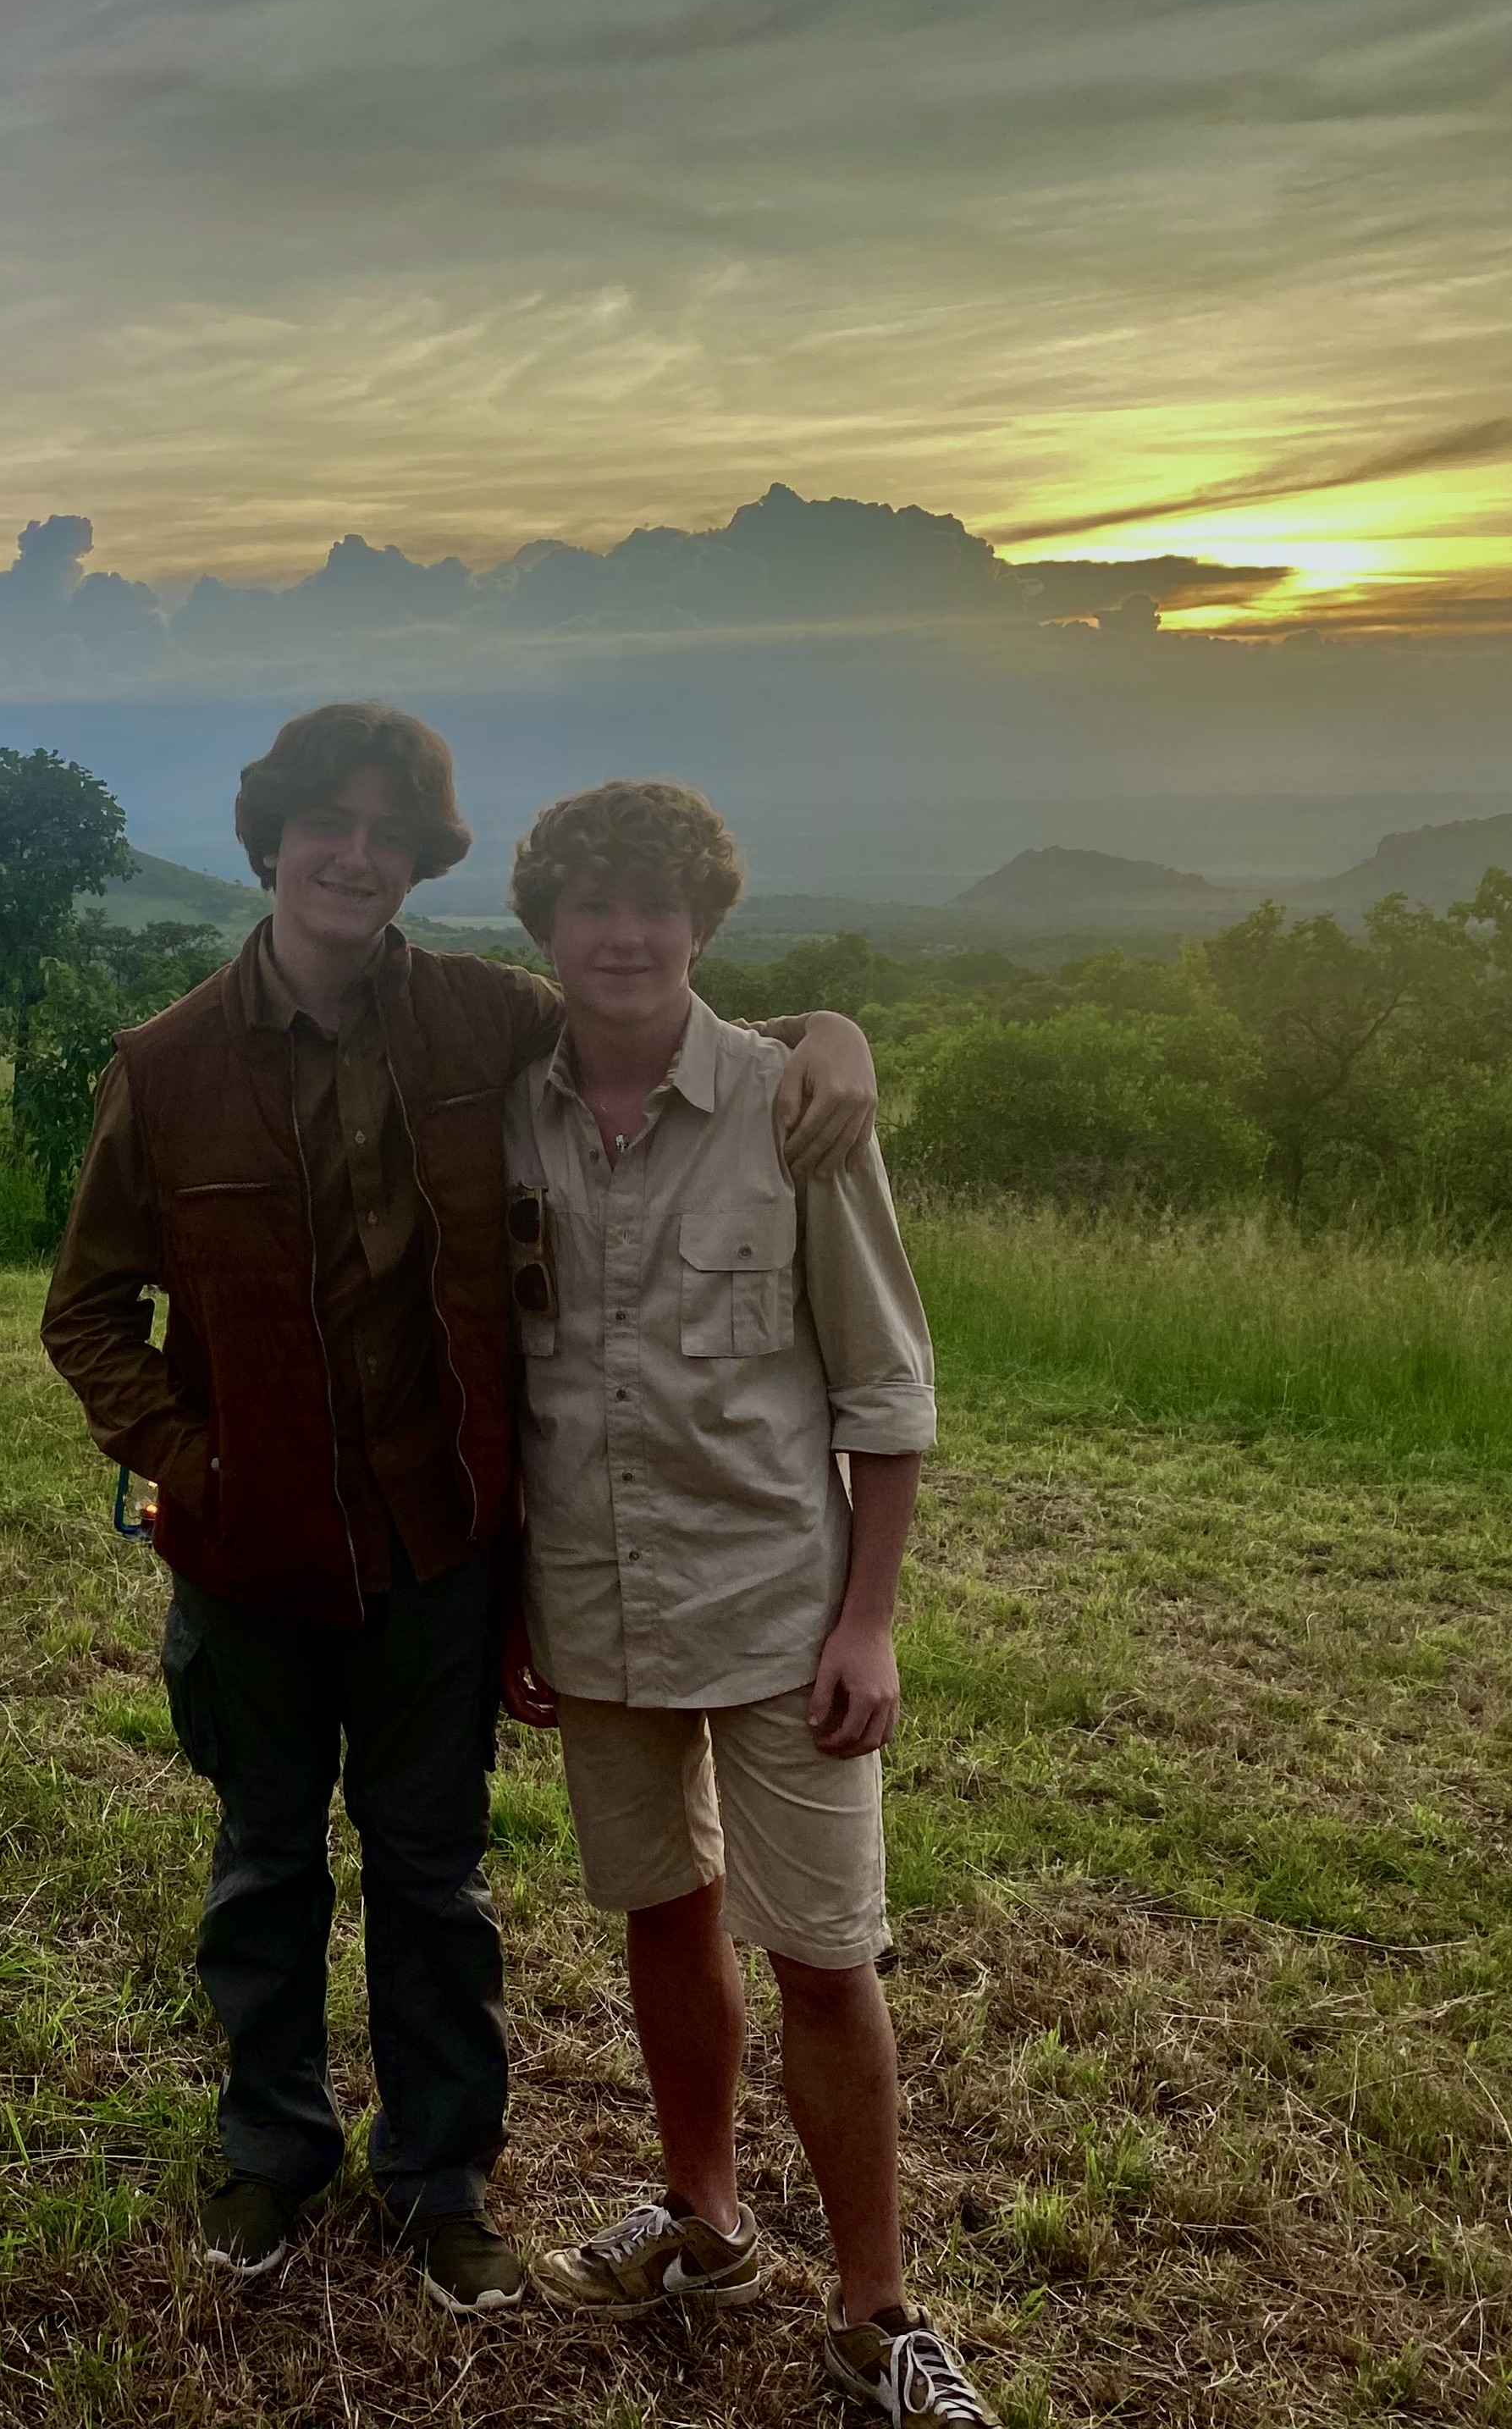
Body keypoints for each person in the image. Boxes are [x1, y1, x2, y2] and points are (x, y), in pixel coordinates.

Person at [39, 704, 881, 2316]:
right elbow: (88, 1312)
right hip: (253, 1559)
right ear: (271, 841)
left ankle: (440, 2178)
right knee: (263, 1867)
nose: (353, 853)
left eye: (386, 830)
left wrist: (831, 1029)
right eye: (324, 824)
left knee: (434, 1882)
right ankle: (269, 2151)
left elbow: (656, 1016)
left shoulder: (479, 1023)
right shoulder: (165, 1066)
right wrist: (189, 1463)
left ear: (418, 861)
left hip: (439, 1549)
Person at [496, 780, 991, 2425]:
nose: (623, 934)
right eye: (591, 905)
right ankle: (703, 2219)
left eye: (655, 904)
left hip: (784, 1609)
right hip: (596, 1606)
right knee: (662, 1913)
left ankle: (879, 2311)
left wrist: (871, 1619)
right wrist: (519, 1602)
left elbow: (887, 1388)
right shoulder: (509, 1119)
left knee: (827, 1955)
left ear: (702, 923)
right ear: (546, 930)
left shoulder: (796, 1106)